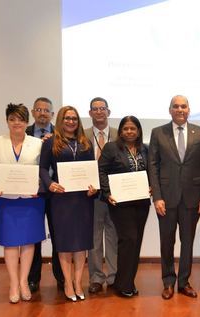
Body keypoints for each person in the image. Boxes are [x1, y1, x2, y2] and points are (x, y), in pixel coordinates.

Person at [148, 95, 200, 300]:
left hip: (192, 199)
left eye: (183, 106)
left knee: (187, 242)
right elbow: (153, 166)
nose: (180, 109)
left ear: (189, 109)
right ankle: (168, 281)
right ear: (170, 110)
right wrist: (157, 196)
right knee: (166, 242)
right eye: (175, 106)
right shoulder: (158, 133)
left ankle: (184, 282)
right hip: (165, 199)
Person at [0, 104, 45, 304]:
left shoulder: (38, 143)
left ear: (27, 121)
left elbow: (43, 171)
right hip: (6, 200)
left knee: (29, 242)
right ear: (7, 121)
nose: (17, 122)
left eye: (20, 119)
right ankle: (13, 283)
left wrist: (38, 185)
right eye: (12, 119)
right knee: (10, 242)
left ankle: (23, 282)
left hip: (31, 200)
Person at [39, 106, 97, 302]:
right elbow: (43, 169)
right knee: (64, 244)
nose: (71, 121)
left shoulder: (85, 142)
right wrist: (50, 183)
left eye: (74, 118)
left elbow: (92, 171)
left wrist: (93, 188)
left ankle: (79, 282)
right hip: (61, 199)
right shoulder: (50, 143)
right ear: (61, 120)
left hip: (82, 199)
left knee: (81, 244)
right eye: (67, 118)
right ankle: (67, 282)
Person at [98, 116, 150, 298]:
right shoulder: (112, 148)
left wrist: (151, 186)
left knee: (135, 243)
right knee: (129, 240)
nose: (129, 132)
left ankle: (126, 282)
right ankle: (124, 284)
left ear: (138, 131)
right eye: (126, 128)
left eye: (133, 128)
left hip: (142, 203)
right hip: (120, 203)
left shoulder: (145, 149)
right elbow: (101, 170)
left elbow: (151, 171)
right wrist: (107, 192)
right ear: (120, 131)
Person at [26, 97, 63, 293]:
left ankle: (61, 278)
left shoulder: (61, 134)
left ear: (52, 114)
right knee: (34, 237)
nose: (42, 113)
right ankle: (33, 279)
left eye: (46, 110)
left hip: (57, 192)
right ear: (33, 112)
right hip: (33, 193)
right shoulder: (24, 133)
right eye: (38, 109)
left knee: (59, 236)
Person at [84, 97, 118, 294]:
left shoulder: (118, 134)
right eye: (95, 109)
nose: (99, 112)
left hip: (114, 193)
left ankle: (114, 277)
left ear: (108, 111)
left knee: (114, 236)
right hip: (91, 193)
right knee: (94, 237)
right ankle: (96, 277)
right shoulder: (83, 135)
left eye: (102, 108)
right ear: (90, 113)